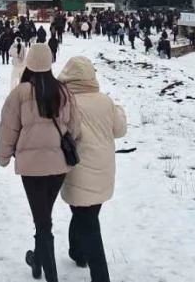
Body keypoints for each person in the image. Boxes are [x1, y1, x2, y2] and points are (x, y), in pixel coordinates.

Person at [0, 43, 80, 282]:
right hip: (58, 166)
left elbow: (8, 129)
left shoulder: (20, 93)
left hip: (31, 166)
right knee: (43, 216)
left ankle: (50, 275)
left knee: (42, 220)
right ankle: (37, 261)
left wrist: (3, 157)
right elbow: (74, 128)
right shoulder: (64, 92)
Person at [58, 57, 127, 282]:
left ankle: (100, 276)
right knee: (86, 213)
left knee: (87, 220)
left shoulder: (66, 103)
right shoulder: (105, 101)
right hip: (104, 168)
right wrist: (119, 109)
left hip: (79, 169)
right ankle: (77, 252)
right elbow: (119, 130)